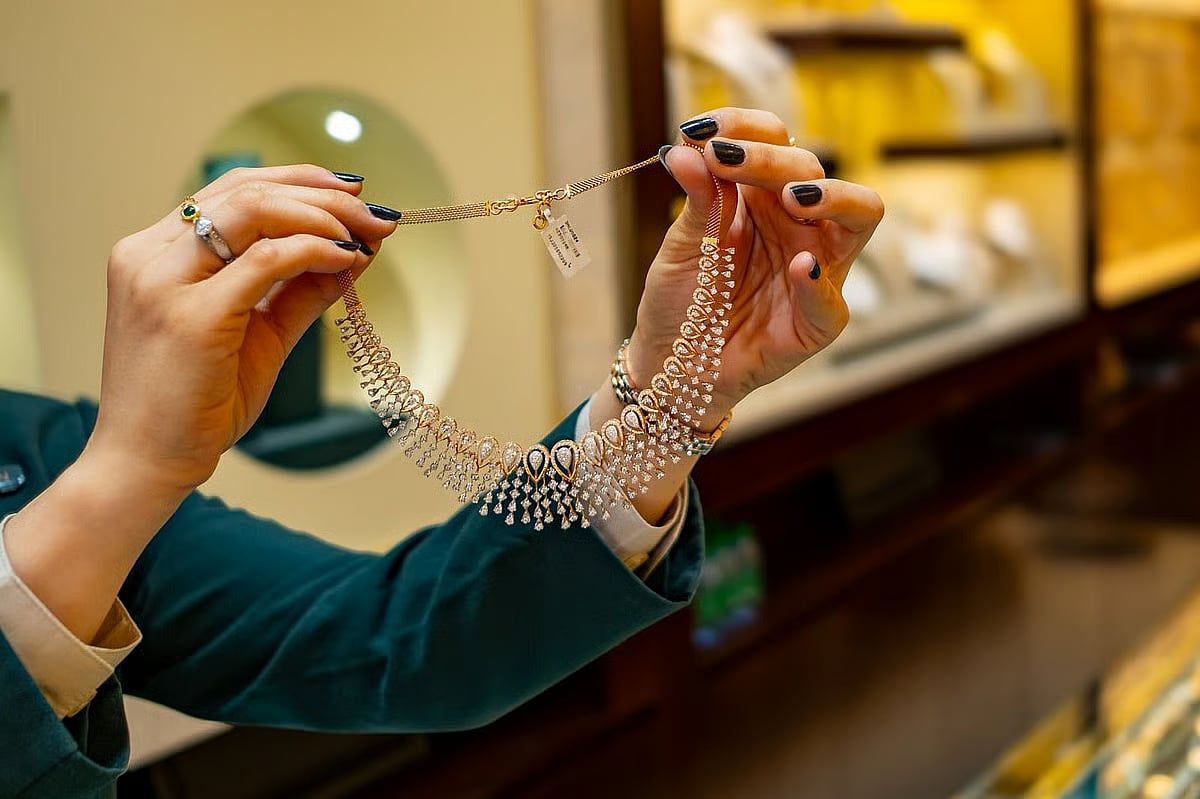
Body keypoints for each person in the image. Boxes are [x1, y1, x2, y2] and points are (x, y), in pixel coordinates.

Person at [0, 108, 882, 797]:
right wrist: (129, 469)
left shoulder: (35, 444)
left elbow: (395, 639)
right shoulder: (89, 457)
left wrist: (666, 393)